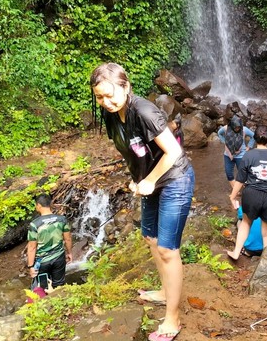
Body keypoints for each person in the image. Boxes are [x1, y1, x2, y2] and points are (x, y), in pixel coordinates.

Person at [91, 63, 194, 341]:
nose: (106, 102)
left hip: (175, 179)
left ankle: (172, 319)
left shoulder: (145, 111)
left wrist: (149, 181)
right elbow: (133, 153)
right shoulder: (112, 114)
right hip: (150, 183)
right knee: (150, 238)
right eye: (100, 97)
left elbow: (173, 150)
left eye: (111, 95)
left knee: (167, 249)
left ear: (125, 87)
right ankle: (164, 291)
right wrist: (138, 179)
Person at [226, 124, 267, 261]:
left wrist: (232, 196)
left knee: (245, 223)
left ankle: (236, 252)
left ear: (254, 138)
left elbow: (240, 179)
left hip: (251, 194)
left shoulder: (248, 155)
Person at [26, 194, 73, 291]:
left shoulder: (35, 224)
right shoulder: (62, 220)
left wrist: (30, 266)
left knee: (42, 288)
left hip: (43, 262)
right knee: (59, 286)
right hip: (59, 258)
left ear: (38, 205)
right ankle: (60, 302)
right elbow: (67, 239)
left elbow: (32, 247)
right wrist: (69, 253)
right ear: (50, 204)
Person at [217, 115, 255, 189]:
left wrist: (249, 146)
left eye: (238, 127)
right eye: (235, 127)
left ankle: (246, 189)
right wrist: (224, 141)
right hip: (228, 154)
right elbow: (219, 133)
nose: (237, 129)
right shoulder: (225, 128)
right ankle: (236, 191)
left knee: (242, 174)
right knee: (229, 174)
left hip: (241, 154)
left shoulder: (244, 129)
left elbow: (253, 136)